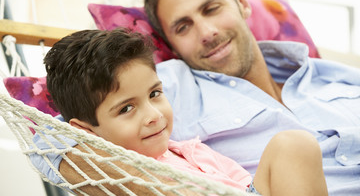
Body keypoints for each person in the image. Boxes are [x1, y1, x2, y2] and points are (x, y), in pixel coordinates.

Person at [32, 0, 360, 195]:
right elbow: (51, 141)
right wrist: (158, 188)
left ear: (242, 3)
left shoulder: (335, 76)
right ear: (170, 43)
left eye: (211, 8)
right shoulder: (168, 86)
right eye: (183, 26)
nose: (206, 32)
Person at [43, 27, 327, 196]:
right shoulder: (115, 177)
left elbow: (244, 185)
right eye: (126, 108)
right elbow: (44, 141)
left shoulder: (189, 150)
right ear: (85, 131)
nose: (154, 114)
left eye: (155, 94)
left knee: (293, 145)